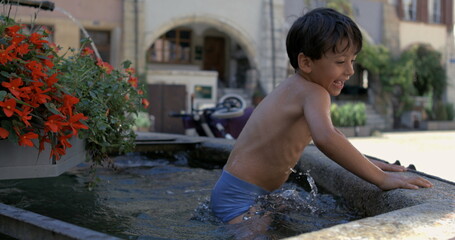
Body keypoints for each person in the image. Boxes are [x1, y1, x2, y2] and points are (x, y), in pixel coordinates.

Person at [210, 7, 433, 225]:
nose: (350, 70)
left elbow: (335, 136)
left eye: (352, 60)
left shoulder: (294, 88)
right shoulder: (314, 92)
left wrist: (373, 166)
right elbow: (326, 139)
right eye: (340, 62)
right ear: (306, 62)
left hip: (236, 191)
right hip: (240, 200)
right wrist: (381, 179)